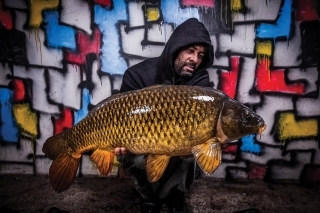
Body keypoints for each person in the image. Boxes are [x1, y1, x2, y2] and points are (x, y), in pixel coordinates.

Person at [115, 18, 214, 213]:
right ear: (176, 48)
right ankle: (148, 196)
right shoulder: (137, 75)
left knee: (195, 148)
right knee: (134, 155)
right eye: (190, 51)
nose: (195, 59)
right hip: (141, 141)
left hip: (180, 142)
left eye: (201, 55)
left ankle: (176, 194)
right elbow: (119, 117)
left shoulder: (200, 81)